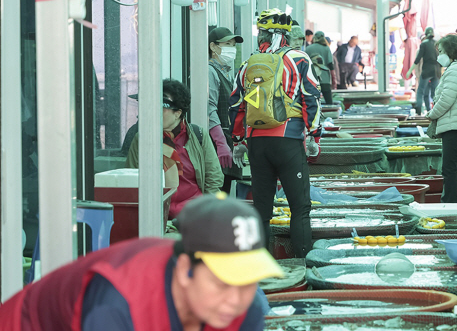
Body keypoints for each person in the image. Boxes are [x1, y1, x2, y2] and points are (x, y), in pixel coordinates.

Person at [0, 194, 280, 330]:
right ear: (185, 270)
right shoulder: (118, 304)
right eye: (221, 283)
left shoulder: (248, 307)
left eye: (247, 281)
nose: (235, 299)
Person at [229, 9, 322, 258]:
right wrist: (315, 135)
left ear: (261, 34)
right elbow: (311, 97)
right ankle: (303, 268)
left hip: (257, 143)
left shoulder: (249, 63)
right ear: (286, 34)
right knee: (300, 208)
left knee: (261, 210)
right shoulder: (298, 58)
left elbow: (236, 104)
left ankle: (260, 270)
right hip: (288, 141)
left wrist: (238, 141)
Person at [126, 79, 224, 219]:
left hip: (194, 215)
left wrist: (209, 213)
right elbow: (131, 176)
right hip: (156, 217)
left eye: (162, 108)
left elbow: (213, 177)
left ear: (178, 113)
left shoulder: (198, 135)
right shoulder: (142, 138)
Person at [427, 34, 457, 210]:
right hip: (456, 125)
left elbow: (446, 100)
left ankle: (450, 206)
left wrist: (431, 115)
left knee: (450, 169)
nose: (439, 56)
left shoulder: (456, 69)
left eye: (442, 51)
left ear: (451, 51)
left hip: (453, 126)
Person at [208, 27, 244, 194]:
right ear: (213, 47)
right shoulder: (209, 71)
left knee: (226, 189)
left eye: (234, 45)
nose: (232, 49)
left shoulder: (227, 73)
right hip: (216, 144)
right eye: (227, 44)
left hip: (228, 142)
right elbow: (209, 109)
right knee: (218, 190)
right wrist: (221, 143)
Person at [406, 26, 440, 115]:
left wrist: (410, 71)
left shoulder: (424, 44)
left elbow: (417, 59)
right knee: (435, 93)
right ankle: (436, 112)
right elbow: (441, 59)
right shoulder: (437, 44)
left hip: (426, 71)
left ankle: (418, 111)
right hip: (436, 71)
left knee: (420, 91)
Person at [306, 31, 335, 105]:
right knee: (329, 103)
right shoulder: (326, 48)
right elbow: (331, 65)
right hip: (325, 80)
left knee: (312, 103)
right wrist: (334, 80)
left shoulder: (308, 48)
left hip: (311, 80)